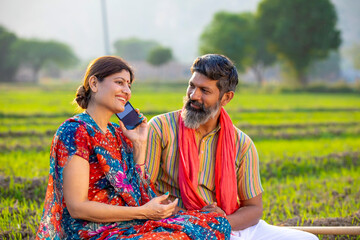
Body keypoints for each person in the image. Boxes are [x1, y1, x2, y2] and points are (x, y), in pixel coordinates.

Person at [36, 56, 232, 239]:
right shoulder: (75, 131)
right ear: (94, 84)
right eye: (119, 82)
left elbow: (139, 188)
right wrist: (143, 212)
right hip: (91, 230)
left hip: (128, 222)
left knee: (216, 222)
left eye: (129, 85)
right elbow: (77, 208)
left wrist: (139, 144)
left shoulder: (118, 134)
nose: (127, 91)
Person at [145, 54, 319, 240]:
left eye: (205, 90)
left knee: (308, 239)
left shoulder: (242, 144)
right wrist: (196, 219)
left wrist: (221, 223)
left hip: (229, 221)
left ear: (226, 98)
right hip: (179, 222)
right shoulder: (160, 128)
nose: (193, 95)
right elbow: (144, 189)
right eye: (192, 86)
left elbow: (253, 208)